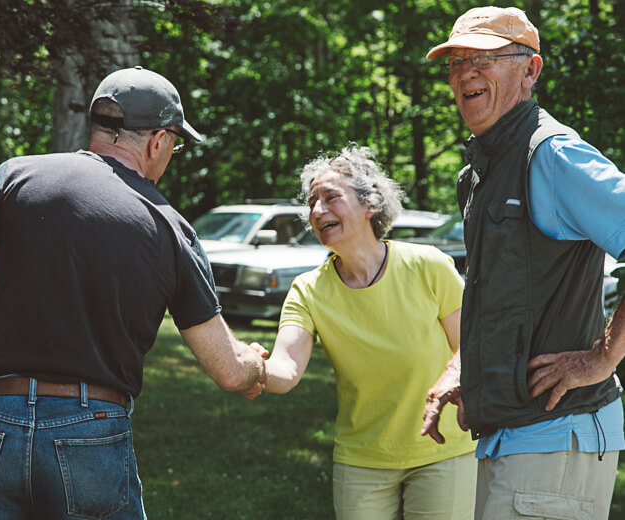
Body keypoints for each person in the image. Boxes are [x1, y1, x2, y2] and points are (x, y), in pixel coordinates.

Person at [0, 66, 267, 519]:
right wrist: (253, 368)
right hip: (92, 430)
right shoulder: (168, 226)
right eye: (175, 143)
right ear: (157, 141)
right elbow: (226, 369)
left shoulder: (14, 177)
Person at [421, 6, 625, 520]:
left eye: (485, 58)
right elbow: (509, 294)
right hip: (512, 440)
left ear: (530, 70)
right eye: (456, 61)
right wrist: (468, 369)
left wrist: (601, 357)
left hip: (555, 438)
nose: (465, 72)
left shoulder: (551, 154)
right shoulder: (482, 169)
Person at [243, 145, 477, 520]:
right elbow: (285, 372)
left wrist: (459, 376)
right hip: (362, 460)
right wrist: (249, 364)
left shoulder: (428, 266)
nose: (318, 211)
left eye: (331, 198)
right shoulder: (308, 290)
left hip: (443, 450)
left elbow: (472, 345)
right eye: (313, 202)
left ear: (370, 205)